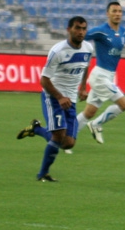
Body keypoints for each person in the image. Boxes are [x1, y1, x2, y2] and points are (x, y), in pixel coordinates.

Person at [16, 16, 93, 181]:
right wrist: (59, 97)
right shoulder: (58, 51)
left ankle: (36, 129)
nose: (81, 32)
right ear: (69, 30)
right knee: (58, 136)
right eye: (77, 28)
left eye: (83, 29)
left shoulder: (88, 48)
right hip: (53, 97)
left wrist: (83, 87)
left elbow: (85, 66)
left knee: (68, 143)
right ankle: (43, 174)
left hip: (70, 100)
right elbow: (44, 80)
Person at [76, 1, 125, 144]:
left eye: (120, 11)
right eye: (114, 11)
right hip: (100, 76)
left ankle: (66, 137)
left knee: (89, 112)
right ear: (108, 14)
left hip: (109, 76)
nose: (117, 14)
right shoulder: (101, 31)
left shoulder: (124, 32)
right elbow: (81, 37)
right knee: (124, 104)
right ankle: (96, 124)